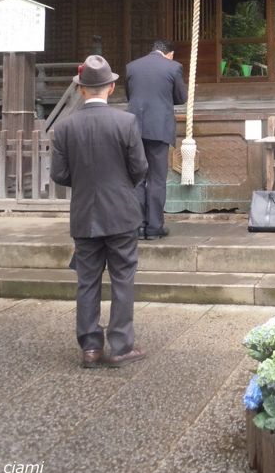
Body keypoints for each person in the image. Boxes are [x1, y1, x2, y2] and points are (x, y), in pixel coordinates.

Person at [50, 55, 148, 369]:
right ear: (111, 87)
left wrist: (83, 182)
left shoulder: (64, 127)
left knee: (87, 281)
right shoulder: (126, 122)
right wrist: (121, 186)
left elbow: (59, 175)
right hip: (121, 213)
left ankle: (90, 347)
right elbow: (140, 168)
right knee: (122, 279)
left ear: (81, 90)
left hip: (84, 214)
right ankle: (120, 346)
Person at [125, 39, 188, 240]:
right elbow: (181, 97)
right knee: (157, 180)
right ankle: (154, 227)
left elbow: (130, 95)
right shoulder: (173, 67)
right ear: (169, 53)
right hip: (159, 128)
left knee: (137, 178)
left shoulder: (132, 67)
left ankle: (137, 227)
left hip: (134, 127)